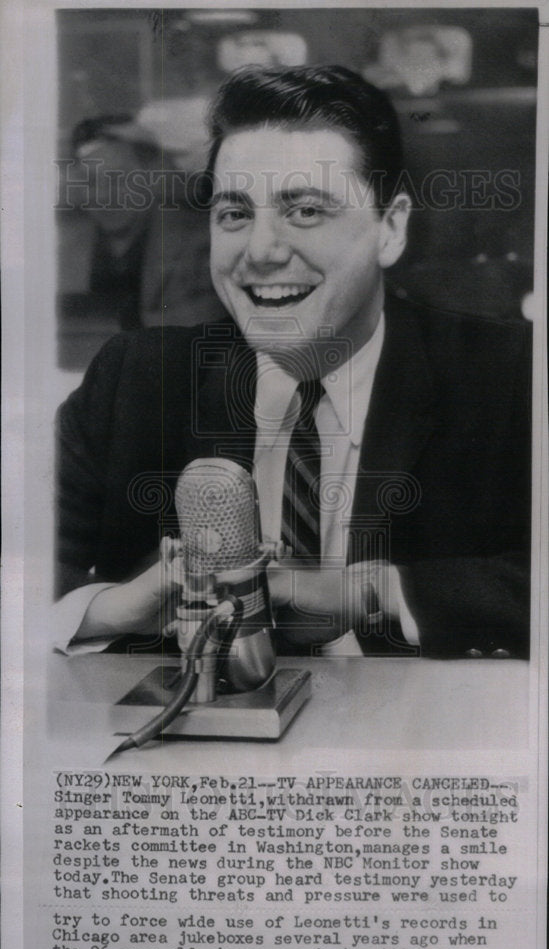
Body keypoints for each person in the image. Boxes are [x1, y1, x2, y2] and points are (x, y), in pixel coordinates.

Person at [55, 66, 531, 659]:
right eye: (235, 214)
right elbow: (22, 567)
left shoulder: (511, 378)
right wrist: (115, 606)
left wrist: (371, 592)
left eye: (305, 210)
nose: (260, 251)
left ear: (390, 227)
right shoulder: (135, 379)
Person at [58, 114, 222, 332]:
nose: (104, 196)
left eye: (119, 179)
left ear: (150, 179)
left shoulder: (198, 248)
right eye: (90, 182)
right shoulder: (64, 249)